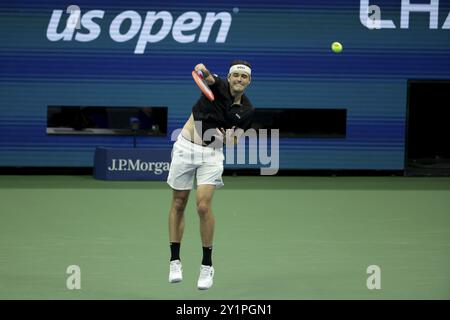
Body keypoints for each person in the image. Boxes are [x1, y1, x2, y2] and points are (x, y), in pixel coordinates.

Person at [166, 60, 254, 290]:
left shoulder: (247, 110)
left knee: (203, 207)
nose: (239, 79)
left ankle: (207, 265)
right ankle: (175, 260)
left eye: (243, 77)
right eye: (235, 75)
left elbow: (234, 140)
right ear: (229, 76)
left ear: (249, 81)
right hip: (185, 147)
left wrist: (227, 138)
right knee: (178, 202)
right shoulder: (218, 85)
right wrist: (202, 69)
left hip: (211, 155)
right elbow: (206, 75)